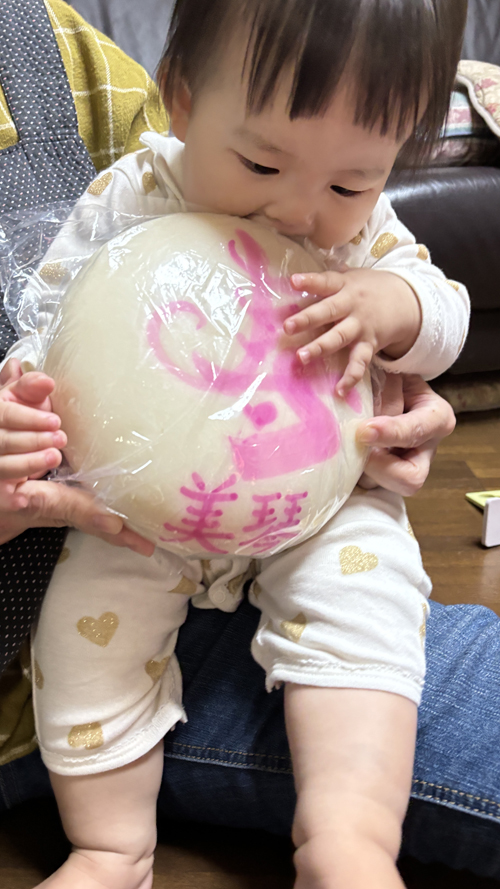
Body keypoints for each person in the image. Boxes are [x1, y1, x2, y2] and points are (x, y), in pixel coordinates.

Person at [0, 3, 470, 889]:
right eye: (260, 162)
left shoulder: (366, 240)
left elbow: (447, 312)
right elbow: (54, 317)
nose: (301, 208)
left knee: (368, 611)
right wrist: (27, 393)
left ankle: (351, 840)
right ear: (179, 98)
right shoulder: (135, 193)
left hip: (321, 502)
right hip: (142, 513)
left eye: (350, 182)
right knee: (84, 633)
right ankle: (111, 848)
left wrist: (397, 307)